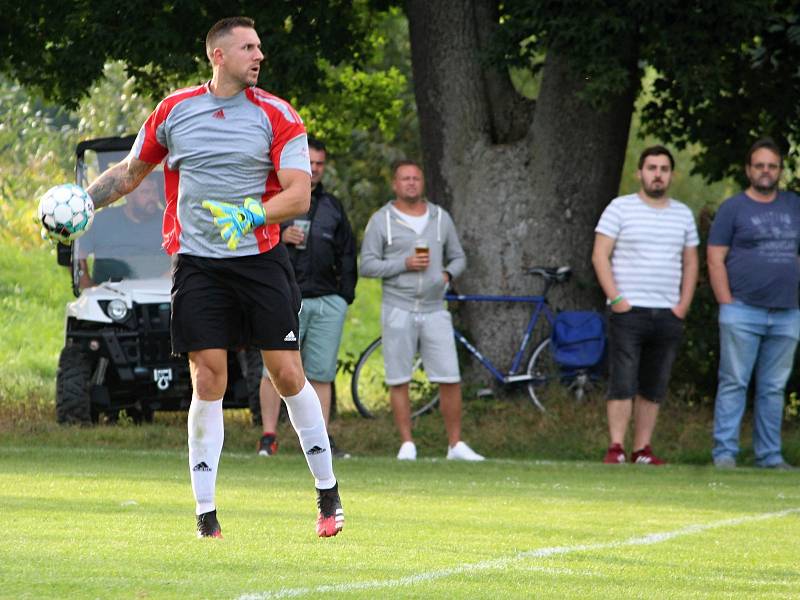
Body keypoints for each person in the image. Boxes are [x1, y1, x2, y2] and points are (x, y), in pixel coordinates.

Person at [76, 16, 344, 538]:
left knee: (287, 373)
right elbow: (131, 173)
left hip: (260, 259)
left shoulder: (278, 115)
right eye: (248, 47)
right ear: (218, 55)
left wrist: (252, 214)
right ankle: (206, 515)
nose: (258, 55)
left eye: (260, 47)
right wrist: (81, 205)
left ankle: (328, 495)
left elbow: (297, 194)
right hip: (198, 263)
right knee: (208, 377)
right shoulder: (174, 111)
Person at [359, 160, 484, 461]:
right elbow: (367, 265)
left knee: (449, 376)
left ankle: (455, 445)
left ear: (423, 182)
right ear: (395, 184)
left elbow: (458, 257)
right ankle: (407, 444)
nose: (411, 183)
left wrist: (447, 275)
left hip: (434, 308)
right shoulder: (382, 220)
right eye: (405, 178)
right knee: (398, 376)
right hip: (397, 307)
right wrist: (403, 264)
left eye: (416, 177)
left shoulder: (440, 217)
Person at [592, 145, 699, 466]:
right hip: (629, 310)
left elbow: (691, 262)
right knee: (623, 380)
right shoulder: (619, 208)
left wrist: (683, 305)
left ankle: (642, 449)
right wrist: (617, 299)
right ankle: (616, 448)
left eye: (664, 169)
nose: (657, 175)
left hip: (667, 313)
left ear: (671, 175)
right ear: (640, 173)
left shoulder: (682, 214)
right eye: (652, 168)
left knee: (654, 384)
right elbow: (599, 255)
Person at [257, 137, 357, 459]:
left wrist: (344, 297)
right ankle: (268, 437)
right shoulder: (276, 200)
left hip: (328, 300)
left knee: (321, 373)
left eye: (320, 164)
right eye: (310, 163)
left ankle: (319, 441)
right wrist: (281, 236)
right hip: (286, 297)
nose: (314, 169)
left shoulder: (333, 206)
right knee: (273, 370)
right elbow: (255, 240)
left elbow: (348, 254)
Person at [707, 137, 800, 470]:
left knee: (774, 389)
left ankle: (769, 456)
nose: (765, 171)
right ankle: (724, 454)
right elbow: (715, 258)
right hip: (742, 309)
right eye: (759, 165)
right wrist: (726, 303)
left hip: (788, 312)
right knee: (734, 382)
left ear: (779, 170)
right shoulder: (733, 208)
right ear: (749, 169)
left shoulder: (794, 205)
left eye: (772, 166)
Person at [76, 175, 168, 289]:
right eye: (145, 192)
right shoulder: (102, 221)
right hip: (111, 298)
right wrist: (88, 288)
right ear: (128, 195)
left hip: (162, 294)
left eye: (155, 192)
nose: (153, 197)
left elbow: (181, 261)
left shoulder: (169, 221)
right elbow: (77, 254)